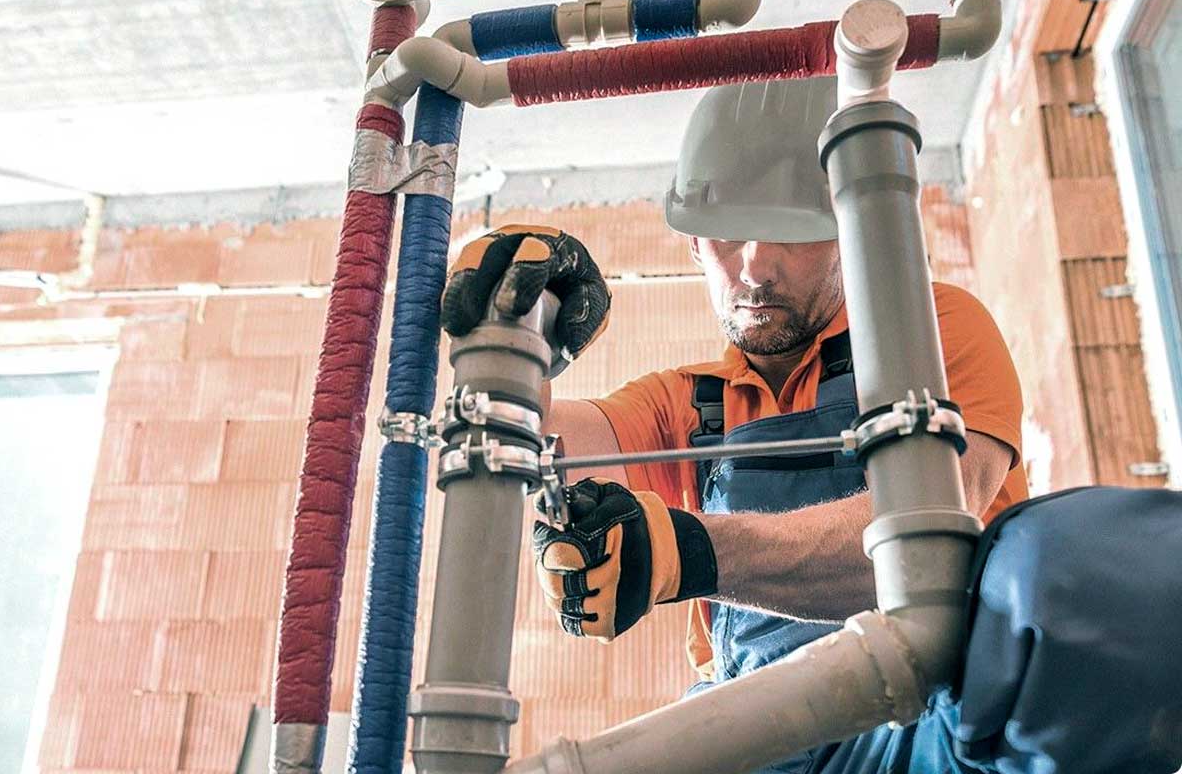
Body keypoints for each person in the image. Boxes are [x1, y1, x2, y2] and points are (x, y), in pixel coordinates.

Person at [440, 76, 1030, 773]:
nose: (754, 265)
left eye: (788, 230)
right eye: (725, 235)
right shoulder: (690, 405)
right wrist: (512, 340)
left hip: (936, 716)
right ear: (693, 246)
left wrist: (686, 552)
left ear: (847, 232)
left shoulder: (926, 333)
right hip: (758, 728)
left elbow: (929, 536)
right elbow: (531, 439)